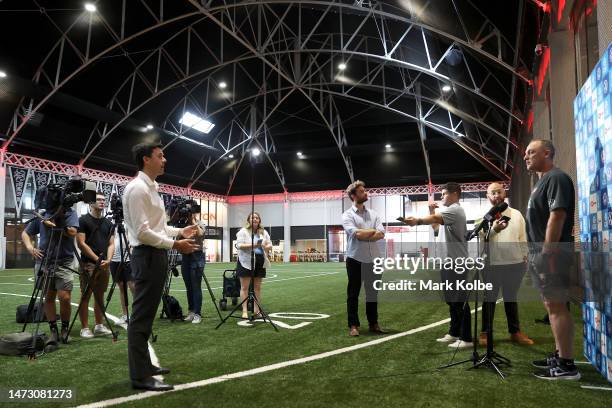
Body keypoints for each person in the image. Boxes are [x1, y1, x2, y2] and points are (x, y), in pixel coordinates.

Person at [123, 142, 200, 391]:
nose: (164, 159)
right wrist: (175, 245)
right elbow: (143, 233)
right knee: (140, 318)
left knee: (146, 316)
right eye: (160, 156)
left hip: (155, 255)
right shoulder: (137, 190)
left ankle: (145, 367)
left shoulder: (152, 188)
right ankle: (139, 376)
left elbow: (158, 227)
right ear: (146, 159)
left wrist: (179, 231)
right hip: (146, 255)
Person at [524, 139, 580, 380]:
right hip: (541, 253)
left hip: (553, 253)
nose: (526, 156)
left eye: (531, 152)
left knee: (557, 306)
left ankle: (567, 365)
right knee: (552, 305)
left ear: (546, 153)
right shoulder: (541, 182)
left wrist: (547, 253)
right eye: (525, 153)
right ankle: (560, 355)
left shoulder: (556, 177)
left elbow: (556, 217)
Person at [401, 182, 472, 349]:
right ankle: (454, 333)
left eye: (444, 193)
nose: (441, 197)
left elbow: (434, 219)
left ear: (455, 194)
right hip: (447, 262)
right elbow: (436, 225)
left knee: (459, 300)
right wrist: (431, 211)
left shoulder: (455, 209)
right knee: (451, 301)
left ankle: (466, 338)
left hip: (456, 263)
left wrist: (417, 220)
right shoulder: (448, 213)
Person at [478, 183, 533, 346]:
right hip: (491, 265)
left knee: (511, 298)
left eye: (499, 192)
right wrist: (494, 229)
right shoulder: (484, 217)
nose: (496, 195)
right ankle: (485, 333)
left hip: (515, 264)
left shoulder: (516, 215)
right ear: (488, 196)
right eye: (492, 193)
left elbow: (523, 237)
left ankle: (515, 332)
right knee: (489, 299)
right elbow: (482, 238)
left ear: (504, 193)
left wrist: (525, 256)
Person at [21, 207, 79, 344]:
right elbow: (25, 233)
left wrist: (55, 224)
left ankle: (65, 329)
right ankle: (53, 331)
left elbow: (72, 232)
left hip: (64, 261)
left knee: (65, 297)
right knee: (48, 296)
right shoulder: (43, 214)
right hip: (44, 261)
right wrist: (30, 248)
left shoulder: (69, 212)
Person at [341, 180, 386, 337]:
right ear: (353, 195)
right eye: (361, 191)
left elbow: (381, 233)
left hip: (374, 260)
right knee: (353, 294)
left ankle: (373, 323)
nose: (365, 193)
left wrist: (367, 232)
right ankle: (353, 325)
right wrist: (372, 231)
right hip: (355, 259)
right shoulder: (347, 215)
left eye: (365, 190)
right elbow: (358, 235)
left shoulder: (374, 214)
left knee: (372, 294)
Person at [76, 192, 115, 338]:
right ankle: (84, 328)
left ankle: (99, 325)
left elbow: (111, 243)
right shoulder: (83, 220)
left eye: (104, 200)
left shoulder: (108, 223)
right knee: (85, 295)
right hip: (88, 264)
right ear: (91, 203)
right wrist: (96, 259)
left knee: (100, 295)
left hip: (104, 264)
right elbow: (81, 243)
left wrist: (109, 260)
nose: (101, 202)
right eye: (98, 200)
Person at [235, 212, 272, 320]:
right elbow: (239, 245)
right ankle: (245, 311)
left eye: (257, 218)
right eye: (252, 217)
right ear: (248, 220)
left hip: (260, 261)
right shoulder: (243, 231)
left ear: (259, 220)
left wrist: (265, 246)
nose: (255, 219)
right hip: (246, 262)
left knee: (257, 288)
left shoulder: (263, 232)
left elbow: (270, 245)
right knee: (245, 287)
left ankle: (256, 311)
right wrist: (254, 245)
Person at [181, 213, 206, 324]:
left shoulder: (200, 223)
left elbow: (200, 234)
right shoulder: (182, 223)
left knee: (196, 286)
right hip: (185, 256)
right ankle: (191, 311)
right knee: (188, 286)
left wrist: (194, 222)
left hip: (197, 255)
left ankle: (197, 313)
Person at [109, 226, 134, 325]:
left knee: (133, 286)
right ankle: (125, 315)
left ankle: (138, 313)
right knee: (122, 288)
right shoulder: (111, 222)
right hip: (114, 260)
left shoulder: (128, 221)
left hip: (127, 259)